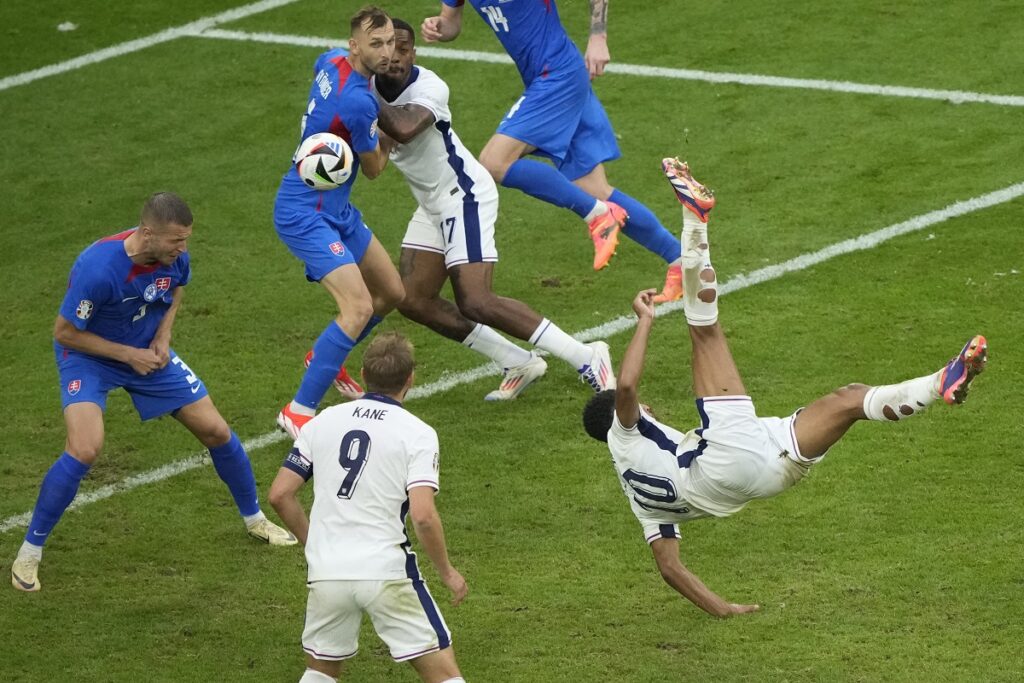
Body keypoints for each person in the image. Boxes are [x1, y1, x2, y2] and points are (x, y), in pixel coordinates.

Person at [581, 159, 988, 617]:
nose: (646, 407)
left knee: (850, 399)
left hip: (763, 480)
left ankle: (941, 384)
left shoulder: (638, 500)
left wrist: (723, 609)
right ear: (615, 417)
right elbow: (629, 385)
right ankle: (695, 217)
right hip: (723, 459)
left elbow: (670, 568)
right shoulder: (624, 431)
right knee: (704, 330)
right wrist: (645, 322)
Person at [10, 192, 296, 594]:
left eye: (186, 240)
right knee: (85, 447)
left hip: (147, 352)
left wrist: (163, 335)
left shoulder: (174, 259)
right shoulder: (98, 269)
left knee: (216, 430)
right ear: (147, 233)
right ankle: (29, 551)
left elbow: (176, 289)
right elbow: (65, 332)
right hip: (89, 357)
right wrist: (128, 355)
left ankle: (255, 520)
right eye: (176, 241)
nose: (183, 249)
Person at [370, 19, 615, 400]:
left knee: (477, 300)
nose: (395, 57)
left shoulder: (429, 87)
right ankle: (518, 361)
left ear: (414, 52)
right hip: (432, 203)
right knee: (414, 299)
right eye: (387, 48)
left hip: (464, 194)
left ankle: (588, 355)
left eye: (404, 48)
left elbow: (403, 128)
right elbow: (377, 162)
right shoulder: (368, 88)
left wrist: (356, 96)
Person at [421, 0, 694, 303]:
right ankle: (681, 261)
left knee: (494, 162)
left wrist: (598, 37)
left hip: (557, 76)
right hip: (551, 76)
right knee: (594, 188)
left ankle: (599, 216)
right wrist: (439, 27)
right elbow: (451, 22)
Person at [269, 332, 468, 683]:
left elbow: (280, 495)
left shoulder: (322, 422)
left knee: (321, 672)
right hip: (386, 570)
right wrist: (448, 572)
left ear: (362, 373)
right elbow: (422, 515)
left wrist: (313, 543)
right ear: (411, 379)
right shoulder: (418, 433)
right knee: (443, 674)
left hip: (328, 569)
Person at [274, 6, 405, 437]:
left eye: (389, 42)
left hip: (336, 209)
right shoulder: (358, 101)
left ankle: (325, 356)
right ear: (355, 45)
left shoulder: (330, 60)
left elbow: (323, 73)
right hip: (305, 213)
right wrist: (390, 137)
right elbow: (373, 169)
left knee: (390, 292)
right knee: (358, 306)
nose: (387, 53)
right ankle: (298, 411)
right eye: (376, 45)